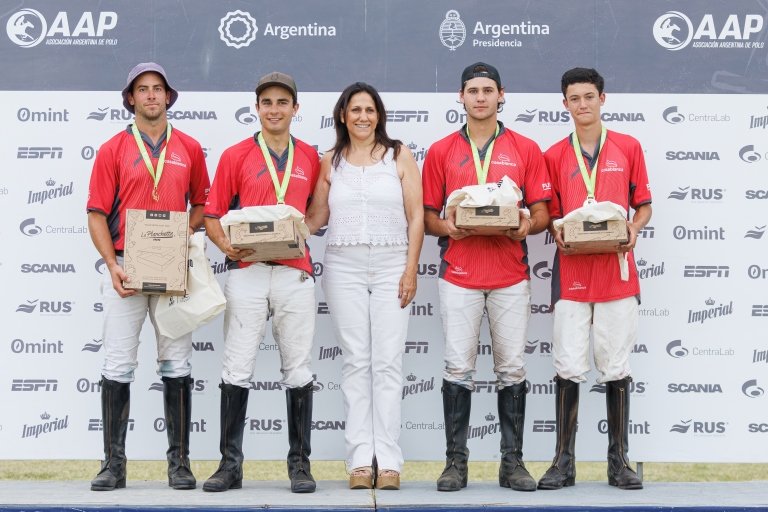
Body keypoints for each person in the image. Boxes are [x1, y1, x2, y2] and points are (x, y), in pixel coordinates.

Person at [422, 62, 551, 492]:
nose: (480, 97)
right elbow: (426, 217)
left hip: (509, 275)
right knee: (458, 367)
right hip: (458, 273)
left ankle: (512, 464)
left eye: (488, 90)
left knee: (511, 368)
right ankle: (455, 464)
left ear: (502, 95)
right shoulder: (441, 150)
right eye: (472, 90)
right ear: (460, 97)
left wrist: (525, 225)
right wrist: (449, 227)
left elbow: (543, 212)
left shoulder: (526, 148)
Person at [86, 62, 210, 491]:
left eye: (158, 89)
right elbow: (96, 214)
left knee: (176, 362)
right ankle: (113, 465)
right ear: (131, 98)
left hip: (172, 269)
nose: (152, 96)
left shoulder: (190, 147)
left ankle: (179, 464)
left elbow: (202, 205)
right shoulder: (111, 149)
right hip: (125, 268)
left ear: (168, 97)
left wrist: (181, 237)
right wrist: (111, 264)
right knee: (118, 364)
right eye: (143, 89)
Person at [202, 71, 320, 494]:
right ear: (257, 108)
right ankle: (229, 465)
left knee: (298, 367)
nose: (274, 109)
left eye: (282, 102)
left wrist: (302, 230)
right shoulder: (235, 155)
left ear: (295, 108)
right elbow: (212, 215)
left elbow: (319, 214)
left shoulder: (310, 156)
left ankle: (300, 466)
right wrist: (228, 248)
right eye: (267, 102)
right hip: (247, 273)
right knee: (236, 365)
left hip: (294, 272)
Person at [305, 82, 424, 491]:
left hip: (393, 263)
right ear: (342, 115)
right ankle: (359, 460)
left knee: (388, 362)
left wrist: (411, 269)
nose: (362, 117)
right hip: (343, 266)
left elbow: (416, 217)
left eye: (369, 110)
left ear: (379, 115)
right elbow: (317, 218)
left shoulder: (399, 155)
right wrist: (276, 233)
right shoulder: (329, 162)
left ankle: (388, 461)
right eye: (355, 110)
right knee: (356, 361)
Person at [537, 67, 652, 491]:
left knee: (615, 367)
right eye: (574, 98)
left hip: (617, 274)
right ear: (564, 104)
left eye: (589, 96)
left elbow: (643, 204)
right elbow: (547, 212)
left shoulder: (628, 146)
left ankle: (618, 461)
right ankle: (563, 462)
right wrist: (555, 230)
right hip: (571, 276)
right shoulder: (553, 154)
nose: (582, 104)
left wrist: (635, 228)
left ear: (603, 99)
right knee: (568, 365)